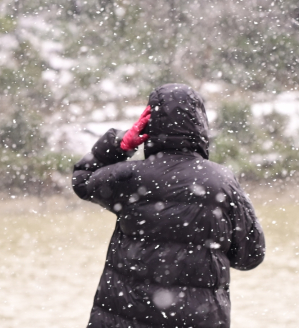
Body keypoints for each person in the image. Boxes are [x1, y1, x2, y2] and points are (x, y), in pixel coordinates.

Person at [72, 83, 265, 328]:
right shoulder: (222, 182)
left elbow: (82, 180)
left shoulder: (129, 177)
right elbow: (250, 256)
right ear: (200, 124)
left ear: (149, 123)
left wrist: (120, 144)